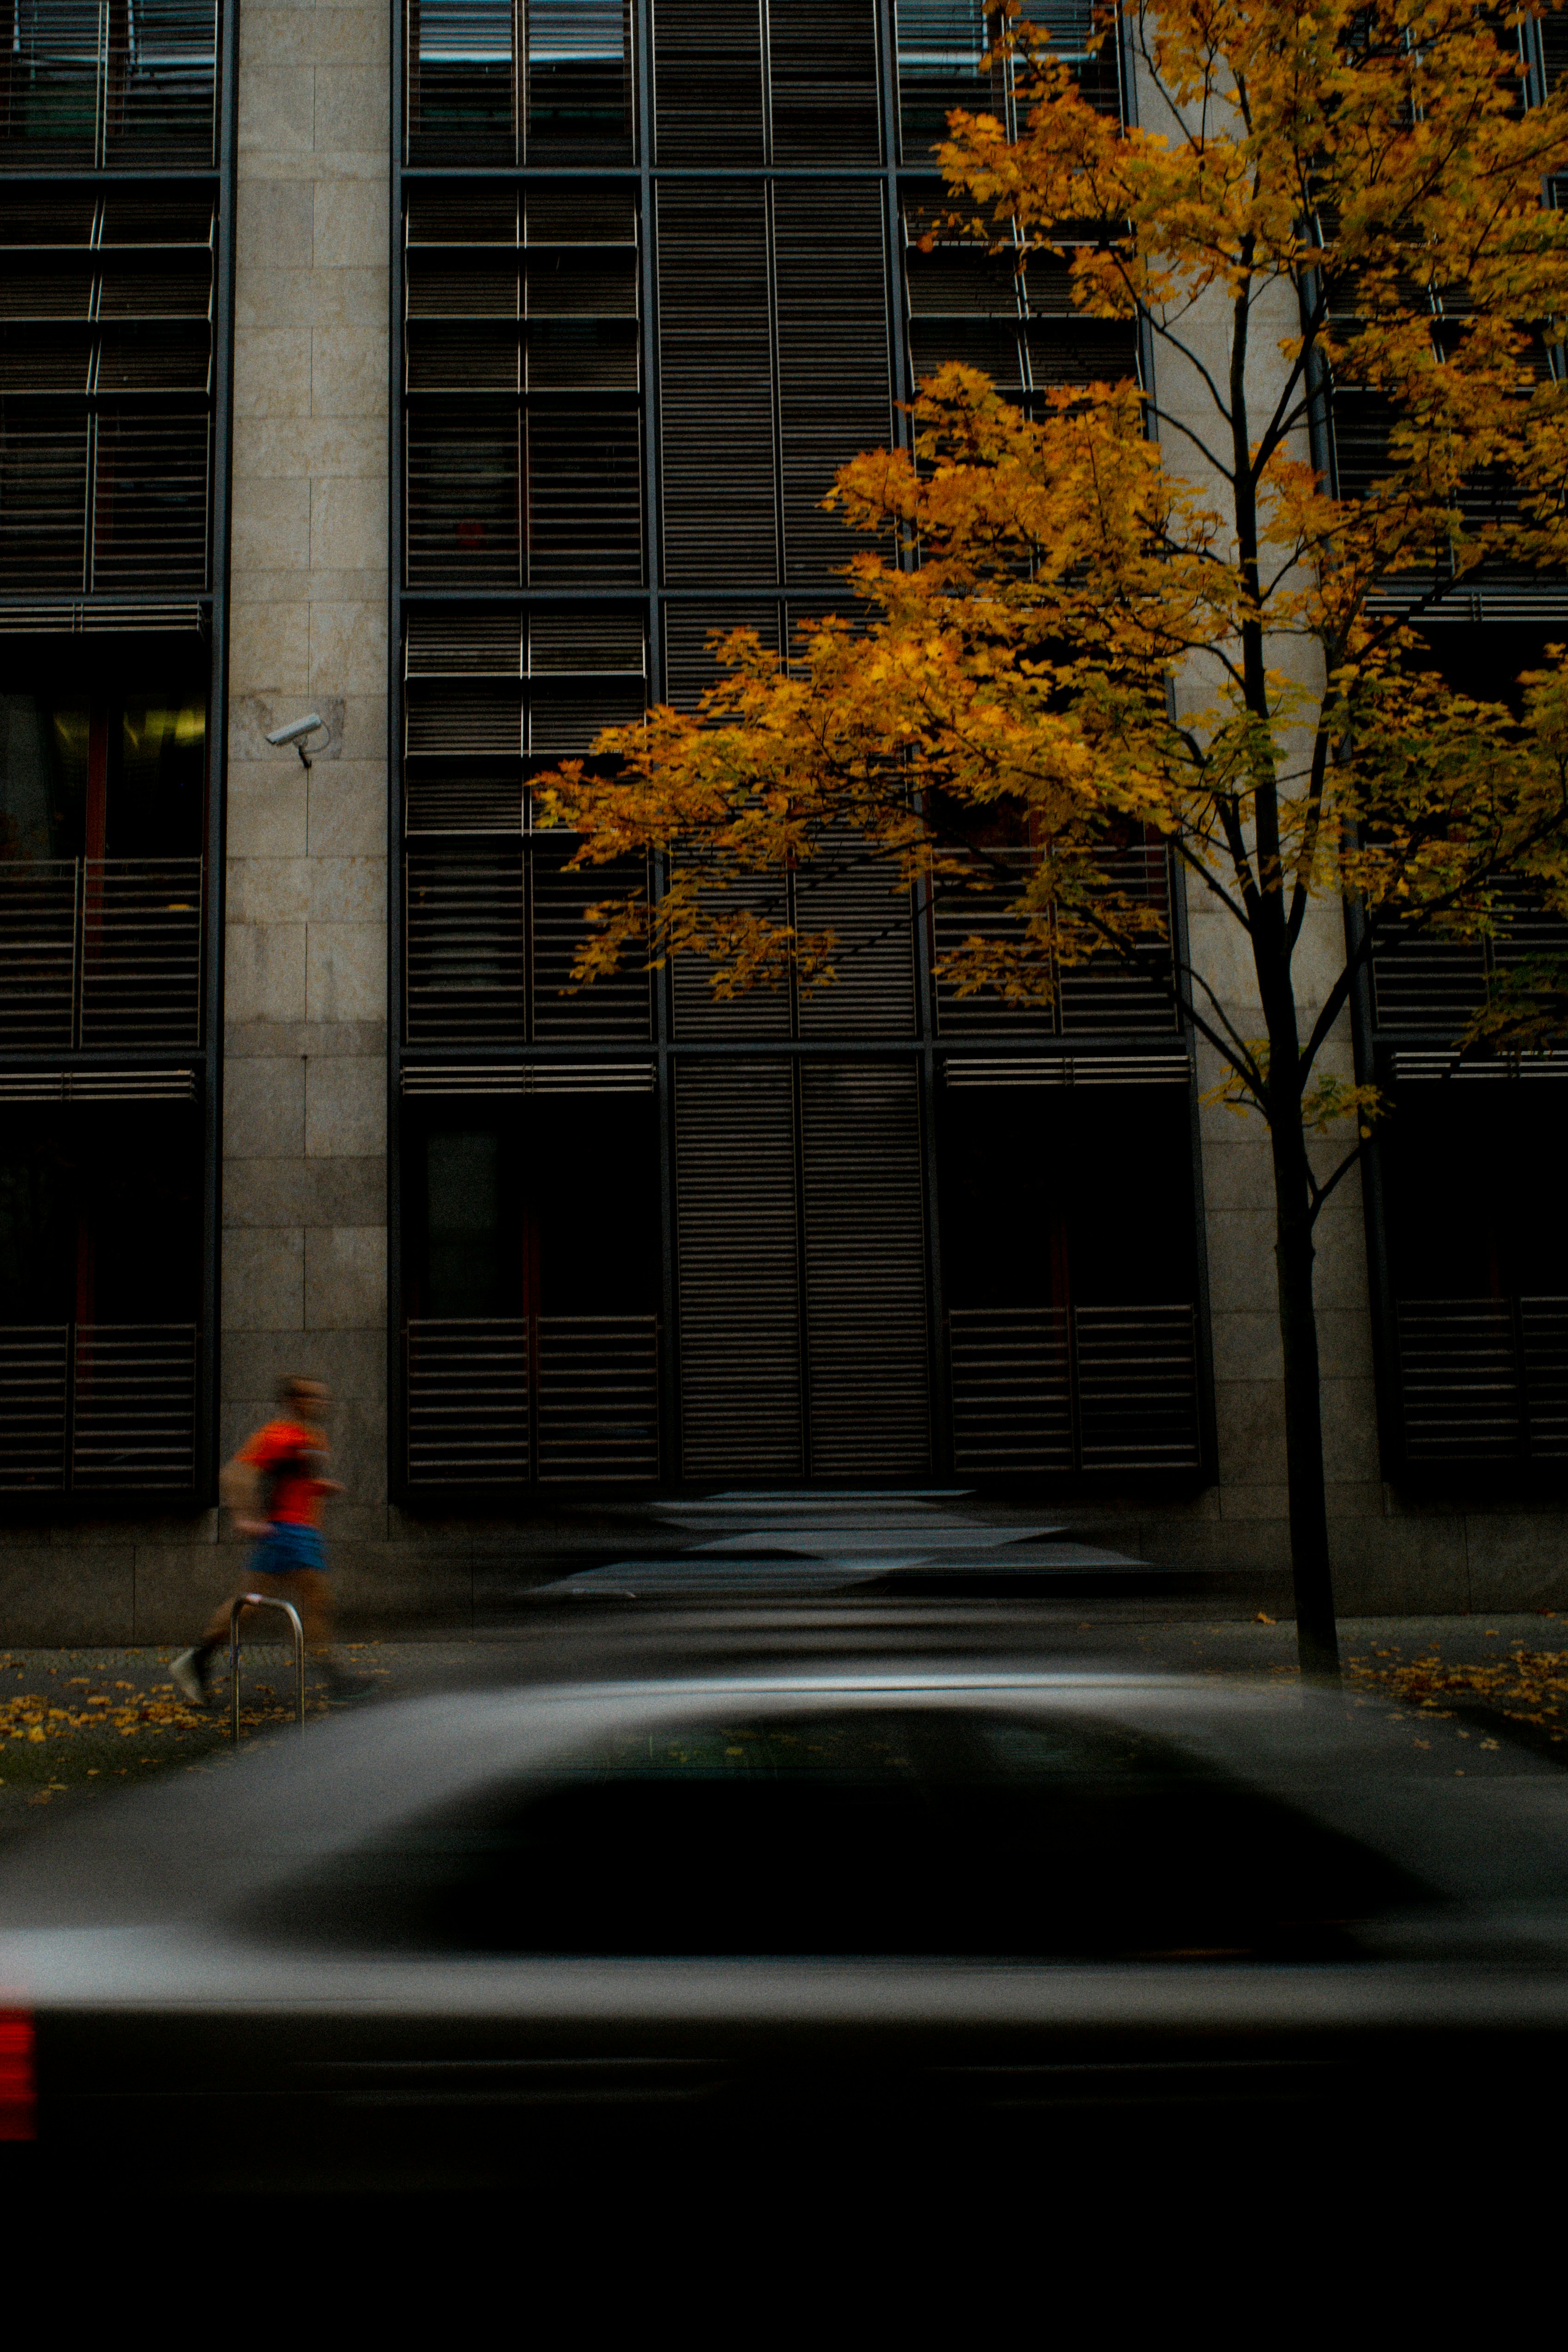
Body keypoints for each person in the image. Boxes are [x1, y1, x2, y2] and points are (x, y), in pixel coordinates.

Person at [171, 1375, 364, 1707]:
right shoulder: (280, 1435)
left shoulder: (312, 1437)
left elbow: (297, 1481)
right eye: (312, 1396)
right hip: (289, 1533)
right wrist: (245, 1518)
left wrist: (321, 1487)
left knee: (246, 1607)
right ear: (293, 1400)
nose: (320, 1402)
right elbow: (235, 1474)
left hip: (299, 1533)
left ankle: (197, 1660)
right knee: (316, 1601)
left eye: (323, 1397)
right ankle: (336, 1678)